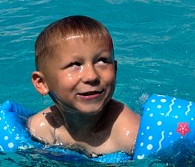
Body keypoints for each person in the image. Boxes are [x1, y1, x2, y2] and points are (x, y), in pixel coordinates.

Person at [27, 15, 141, 158]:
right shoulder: (38, 128)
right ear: (42, 83)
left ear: (115, 69)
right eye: (75, 65)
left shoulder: (130, 135)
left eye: (102, 61)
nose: (91, 76)